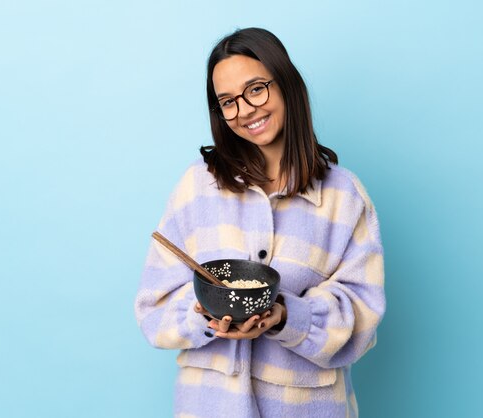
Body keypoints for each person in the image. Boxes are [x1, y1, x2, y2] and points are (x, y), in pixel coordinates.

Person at [135, 27, 386, 418]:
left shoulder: (343, 196)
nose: (246, 110)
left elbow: (363, 317)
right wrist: (204, 311)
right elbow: (154, 306)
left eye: (255, 89)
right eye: (227, 101)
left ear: (286, 83)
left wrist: (286, 315)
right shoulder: (196, 187)